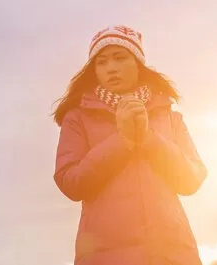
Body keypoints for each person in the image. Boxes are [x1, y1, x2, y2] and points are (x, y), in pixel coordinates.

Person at [52, 25, 207, 265]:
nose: (111, 67)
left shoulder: (170, 117)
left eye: (120, 58)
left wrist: (147, 138)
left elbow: (191, 180)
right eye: (101, 62)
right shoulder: (78, 118)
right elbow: (71, 182)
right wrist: (122, 140)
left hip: (173, 255)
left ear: (137, 63)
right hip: (105, 257)